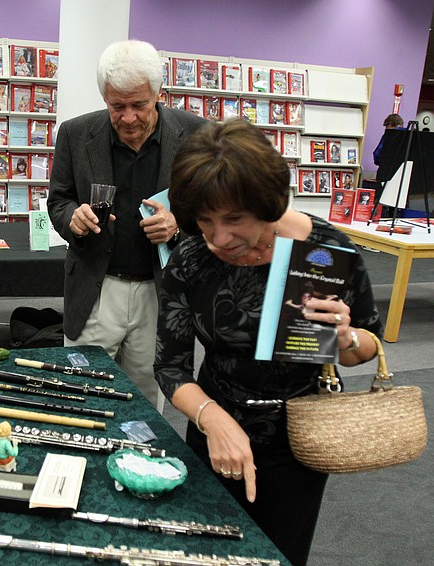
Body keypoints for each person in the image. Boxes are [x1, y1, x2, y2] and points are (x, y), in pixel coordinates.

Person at [154, 119, 384, 566]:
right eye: (204, 220)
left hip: (297, 441)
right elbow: (170, 367)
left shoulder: (325, 249)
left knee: (278, 554)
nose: (219, 238)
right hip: (214, 431)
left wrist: (346, 337)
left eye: (235, 219)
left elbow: (367, 347)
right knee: (203, 552)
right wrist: (212, 420)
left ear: (267, 204)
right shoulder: (191, 257)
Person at [47, 39, 206, 407]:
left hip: (160, 289)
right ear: (104, 97)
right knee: (80, 391)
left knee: (148, 399)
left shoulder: (197, 135)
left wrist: (178, 227)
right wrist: (73, 217)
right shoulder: (75, 134)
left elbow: (212, 213)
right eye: (117, 106)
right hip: (96, 287)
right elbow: (58, 201)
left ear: (158, 92)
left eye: (139, 105)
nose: (129, 117)